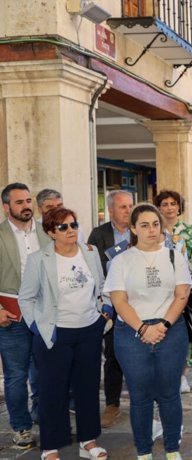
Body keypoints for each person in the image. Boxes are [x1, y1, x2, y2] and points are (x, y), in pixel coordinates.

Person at [103, 203, 192, 460]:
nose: (151, 230)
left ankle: (173, 450)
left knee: (169, 394)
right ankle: (144, 452)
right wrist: (143, 328)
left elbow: (182, 295)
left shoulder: (175, 256)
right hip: (131, 333)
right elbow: (119, 301)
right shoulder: (121, 260)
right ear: (133, 228)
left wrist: (162, 326)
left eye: (155, 224)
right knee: (140, 396)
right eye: (144, 225)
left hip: (171, 331)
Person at [19, 207, 108, 460]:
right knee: (52, 391)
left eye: (74, 224)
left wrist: (106, 314)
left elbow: (101, 286)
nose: (71, 230)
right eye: (63, 227)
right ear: (51, 232)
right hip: (55, 334)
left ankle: (88, 441)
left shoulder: (90, 252)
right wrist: (38, 328)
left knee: (88, 388)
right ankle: (51, 445)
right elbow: (26, 299)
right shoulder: (39, 259)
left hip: (89, 329)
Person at [0, 183, 50, 449]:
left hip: (45, 316)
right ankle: (21, 427)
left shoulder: (47, 231)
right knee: (16, 375)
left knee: (46, 372)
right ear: (7, 207)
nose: (26, 206)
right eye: (20, 202)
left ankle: (44, 416)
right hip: (12, 319)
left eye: (28, 200)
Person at [87, 189, 133, 428]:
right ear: (111, 210)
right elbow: (93, 267)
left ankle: (141, 402)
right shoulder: (99, 234)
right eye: (123, 207)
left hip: (138, 302)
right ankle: (112, 404)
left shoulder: (140, 229)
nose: (127, 211)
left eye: (129, 206)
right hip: (112, 302)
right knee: (113, 355)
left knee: (139, 354)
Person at [154, 189, 192, 390]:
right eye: (164, 204)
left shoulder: (189, 230)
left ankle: (182, 373)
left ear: (178, 207)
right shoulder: (154, 229)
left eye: (173, 204)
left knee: (185, 329)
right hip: (161, 285)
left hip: (185, 285)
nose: (169, 208)